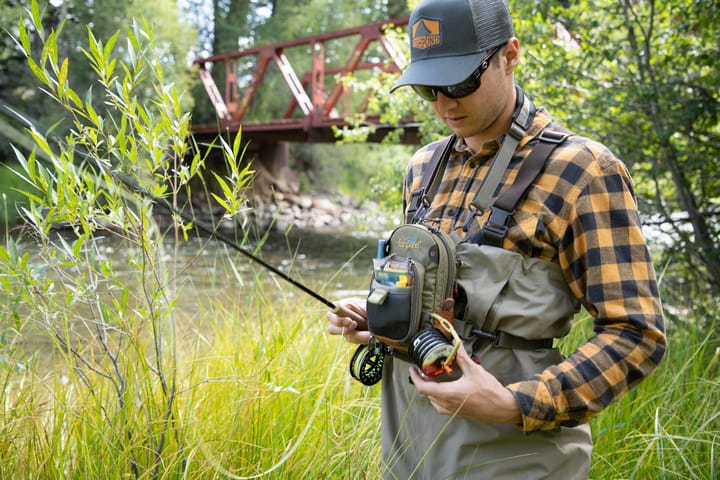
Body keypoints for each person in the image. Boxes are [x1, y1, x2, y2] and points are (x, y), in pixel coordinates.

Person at [326, 0, 666, 478]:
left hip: (516, 458)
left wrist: (512, 404)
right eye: (428, 87)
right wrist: (382, 318)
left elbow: (636, 336)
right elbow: (435, 303)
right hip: (406, 451)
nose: (445, 102)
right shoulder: (422, 167)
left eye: (461, 81)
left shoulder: (584, 170)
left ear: (509, 55)